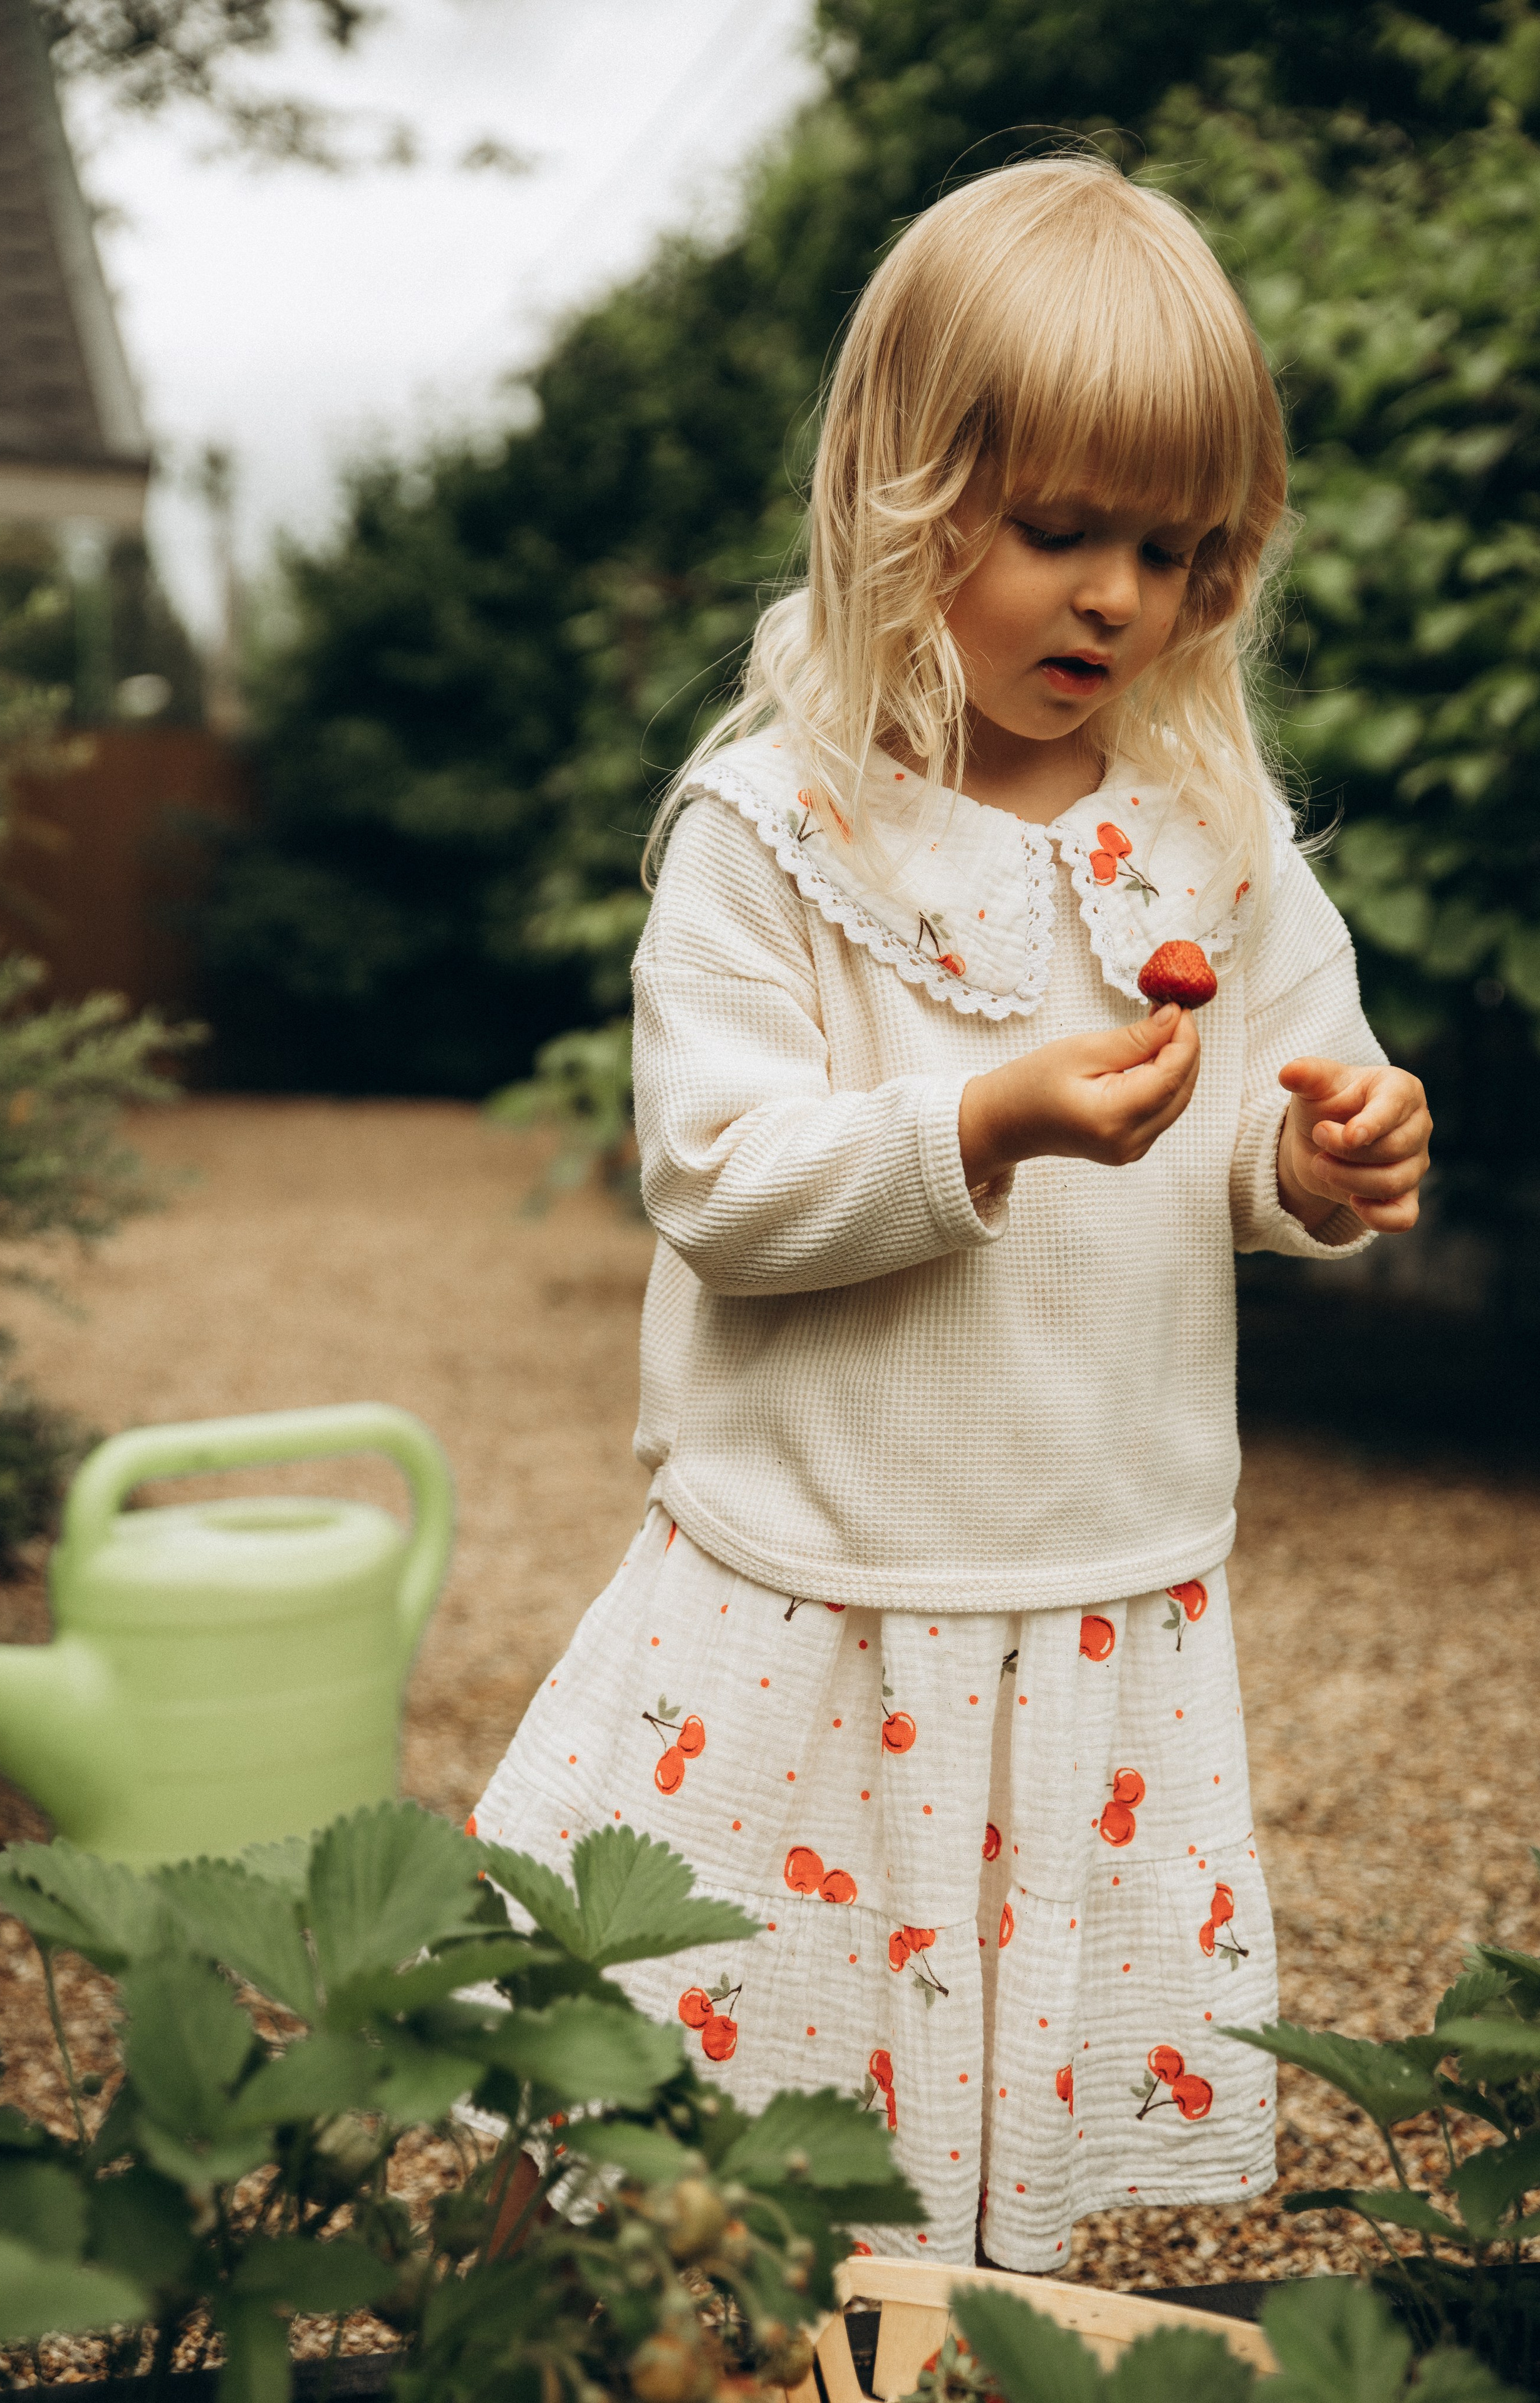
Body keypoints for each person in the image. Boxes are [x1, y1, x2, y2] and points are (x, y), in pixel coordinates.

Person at [471, 154, 1431, 2271]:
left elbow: (1286, 1112)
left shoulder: (1212, 838)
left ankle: (947, 2322)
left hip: (1092, 1571)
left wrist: (1329, 1156)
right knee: (673, 2074)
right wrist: (978, 1123)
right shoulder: (777, 832)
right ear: (907, 497)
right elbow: (720, 1176)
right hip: (821, 1580)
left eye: (1175, 553)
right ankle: (553, 2314)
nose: (1119, 598)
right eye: (1063, 528)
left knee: (996, 2098)